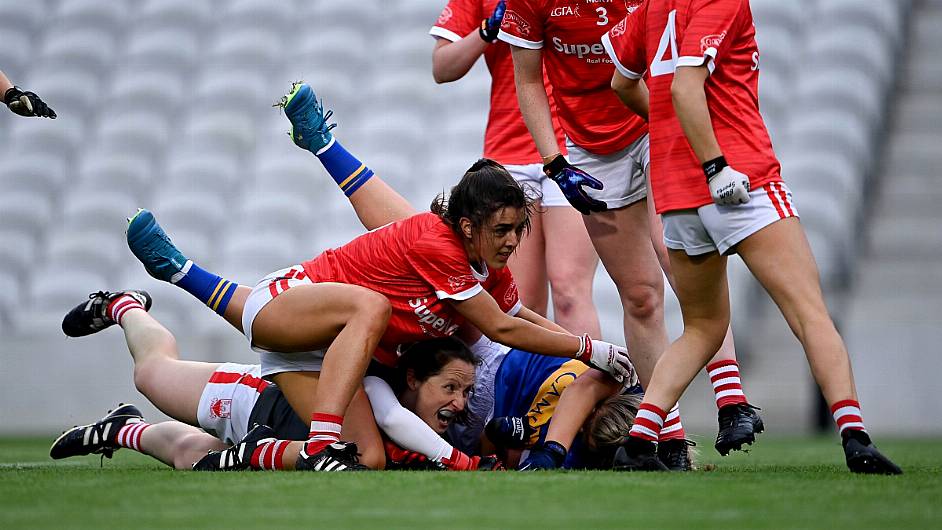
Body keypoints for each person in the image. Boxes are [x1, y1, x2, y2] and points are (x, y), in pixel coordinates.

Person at [122, 83, 634, 472]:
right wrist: (588, 348)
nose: (511, 242)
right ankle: (320, 438)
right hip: (292, 303)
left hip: (328, 354)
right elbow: (501, 329)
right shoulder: (439, 244)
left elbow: (513, 315)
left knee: (366, 459)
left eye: (519, 231)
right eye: (502, 230)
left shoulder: (483, 269)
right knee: (375, 300)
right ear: (467, 224)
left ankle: (182, 279)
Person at [602, 0, 900, 474]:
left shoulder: (652, 8)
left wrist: (671, 134)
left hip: (676, 193)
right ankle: (855, 437)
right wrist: (716, 164)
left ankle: (638, 442)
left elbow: (620, 80)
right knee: (809, 313)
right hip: (740, 182)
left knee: (701, 329)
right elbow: (685, 88)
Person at [496, 0, 763, 466]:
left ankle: (731, 399)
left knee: (681, 265)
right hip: (591, 147)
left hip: (651, 123)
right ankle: (671, 436)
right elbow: (527, 79)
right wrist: (556, 163)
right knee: (640, 296)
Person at [54, 292, 498, 471]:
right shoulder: (381, 390)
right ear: (415, 379)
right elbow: (390, 415)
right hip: (253, 399)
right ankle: (125, 307)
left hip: (277, 435)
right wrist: (460, 461)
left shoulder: (427, 430)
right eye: (451, 387)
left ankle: (122, 430)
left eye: (467, 392)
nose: (460, 403)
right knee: (151, 374)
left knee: (194, 458)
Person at [430, 0, 602, 337]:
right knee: (521, 302)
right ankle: (534, 389)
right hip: (508, 153)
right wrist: (487, 30)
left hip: (570, 149)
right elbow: (442, 67)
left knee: (569, 291)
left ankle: (592, 384)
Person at [482, 344, 643, 470]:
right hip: (508, 354)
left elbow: (501, 450)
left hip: (492, 397)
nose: (579, 427)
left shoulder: (572, 456)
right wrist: (553, 451)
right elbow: (585, 388)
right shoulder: (625, 379)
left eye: (585, 432)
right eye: (588, 420)